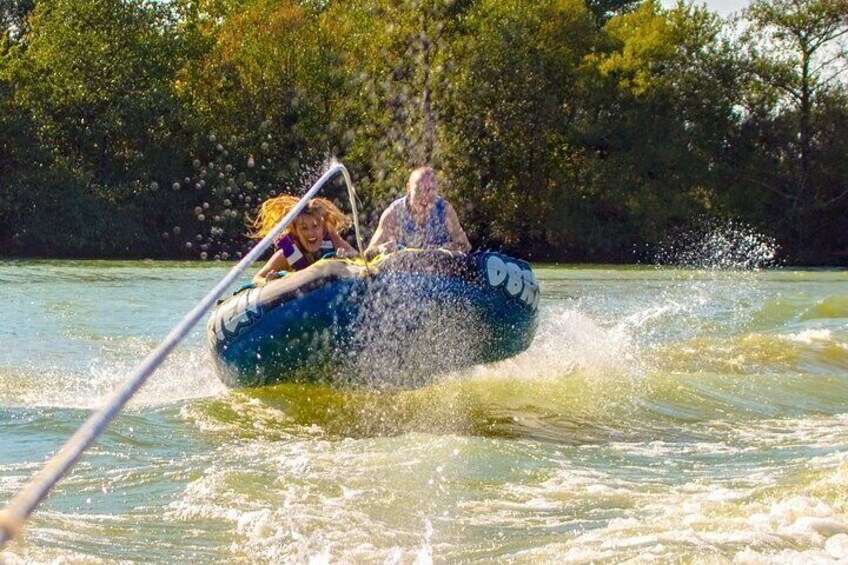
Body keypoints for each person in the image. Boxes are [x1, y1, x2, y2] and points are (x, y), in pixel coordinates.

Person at [365, 166, 471, 259]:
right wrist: (380, 250)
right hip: (405, 275)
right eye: (419, 190)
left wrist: (448, 250)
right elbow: (367, 254)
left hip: (438, 273)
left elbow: (466, 246)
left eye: (430, 190)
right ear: (408, 189)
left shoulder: (445, 211)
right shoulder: (393, 214)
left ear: (437, 189)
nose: (425, 196)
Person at [249, 195, 357, 286]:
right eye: (304, 228)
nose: (311, 233)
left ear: (323, 227)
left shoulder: (332, 238)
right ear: (296, 231)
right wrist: (268, 282)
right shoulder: (286, 255)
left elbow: (356, 255)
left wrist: (345, 259)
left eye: (315, 226)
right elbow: (257, 278)